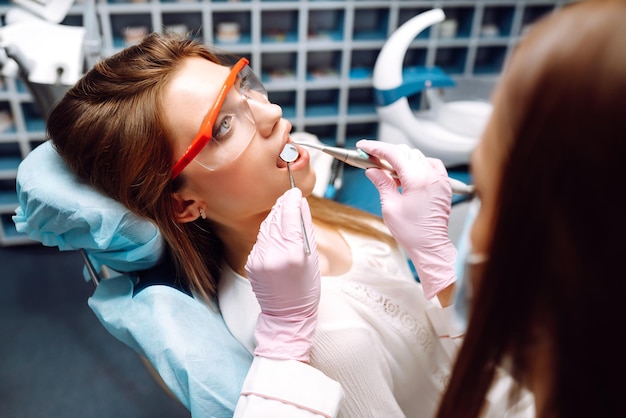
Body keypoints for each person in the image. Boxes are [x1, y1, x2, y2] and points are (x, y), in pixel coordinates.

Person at [46, 32, 461, 417]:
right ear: (183, 204)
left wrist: (435, 264)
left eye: (243, 87)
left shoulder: (298, 206)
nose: (272, 113)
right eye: (224, 126)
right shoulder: (326, 339)